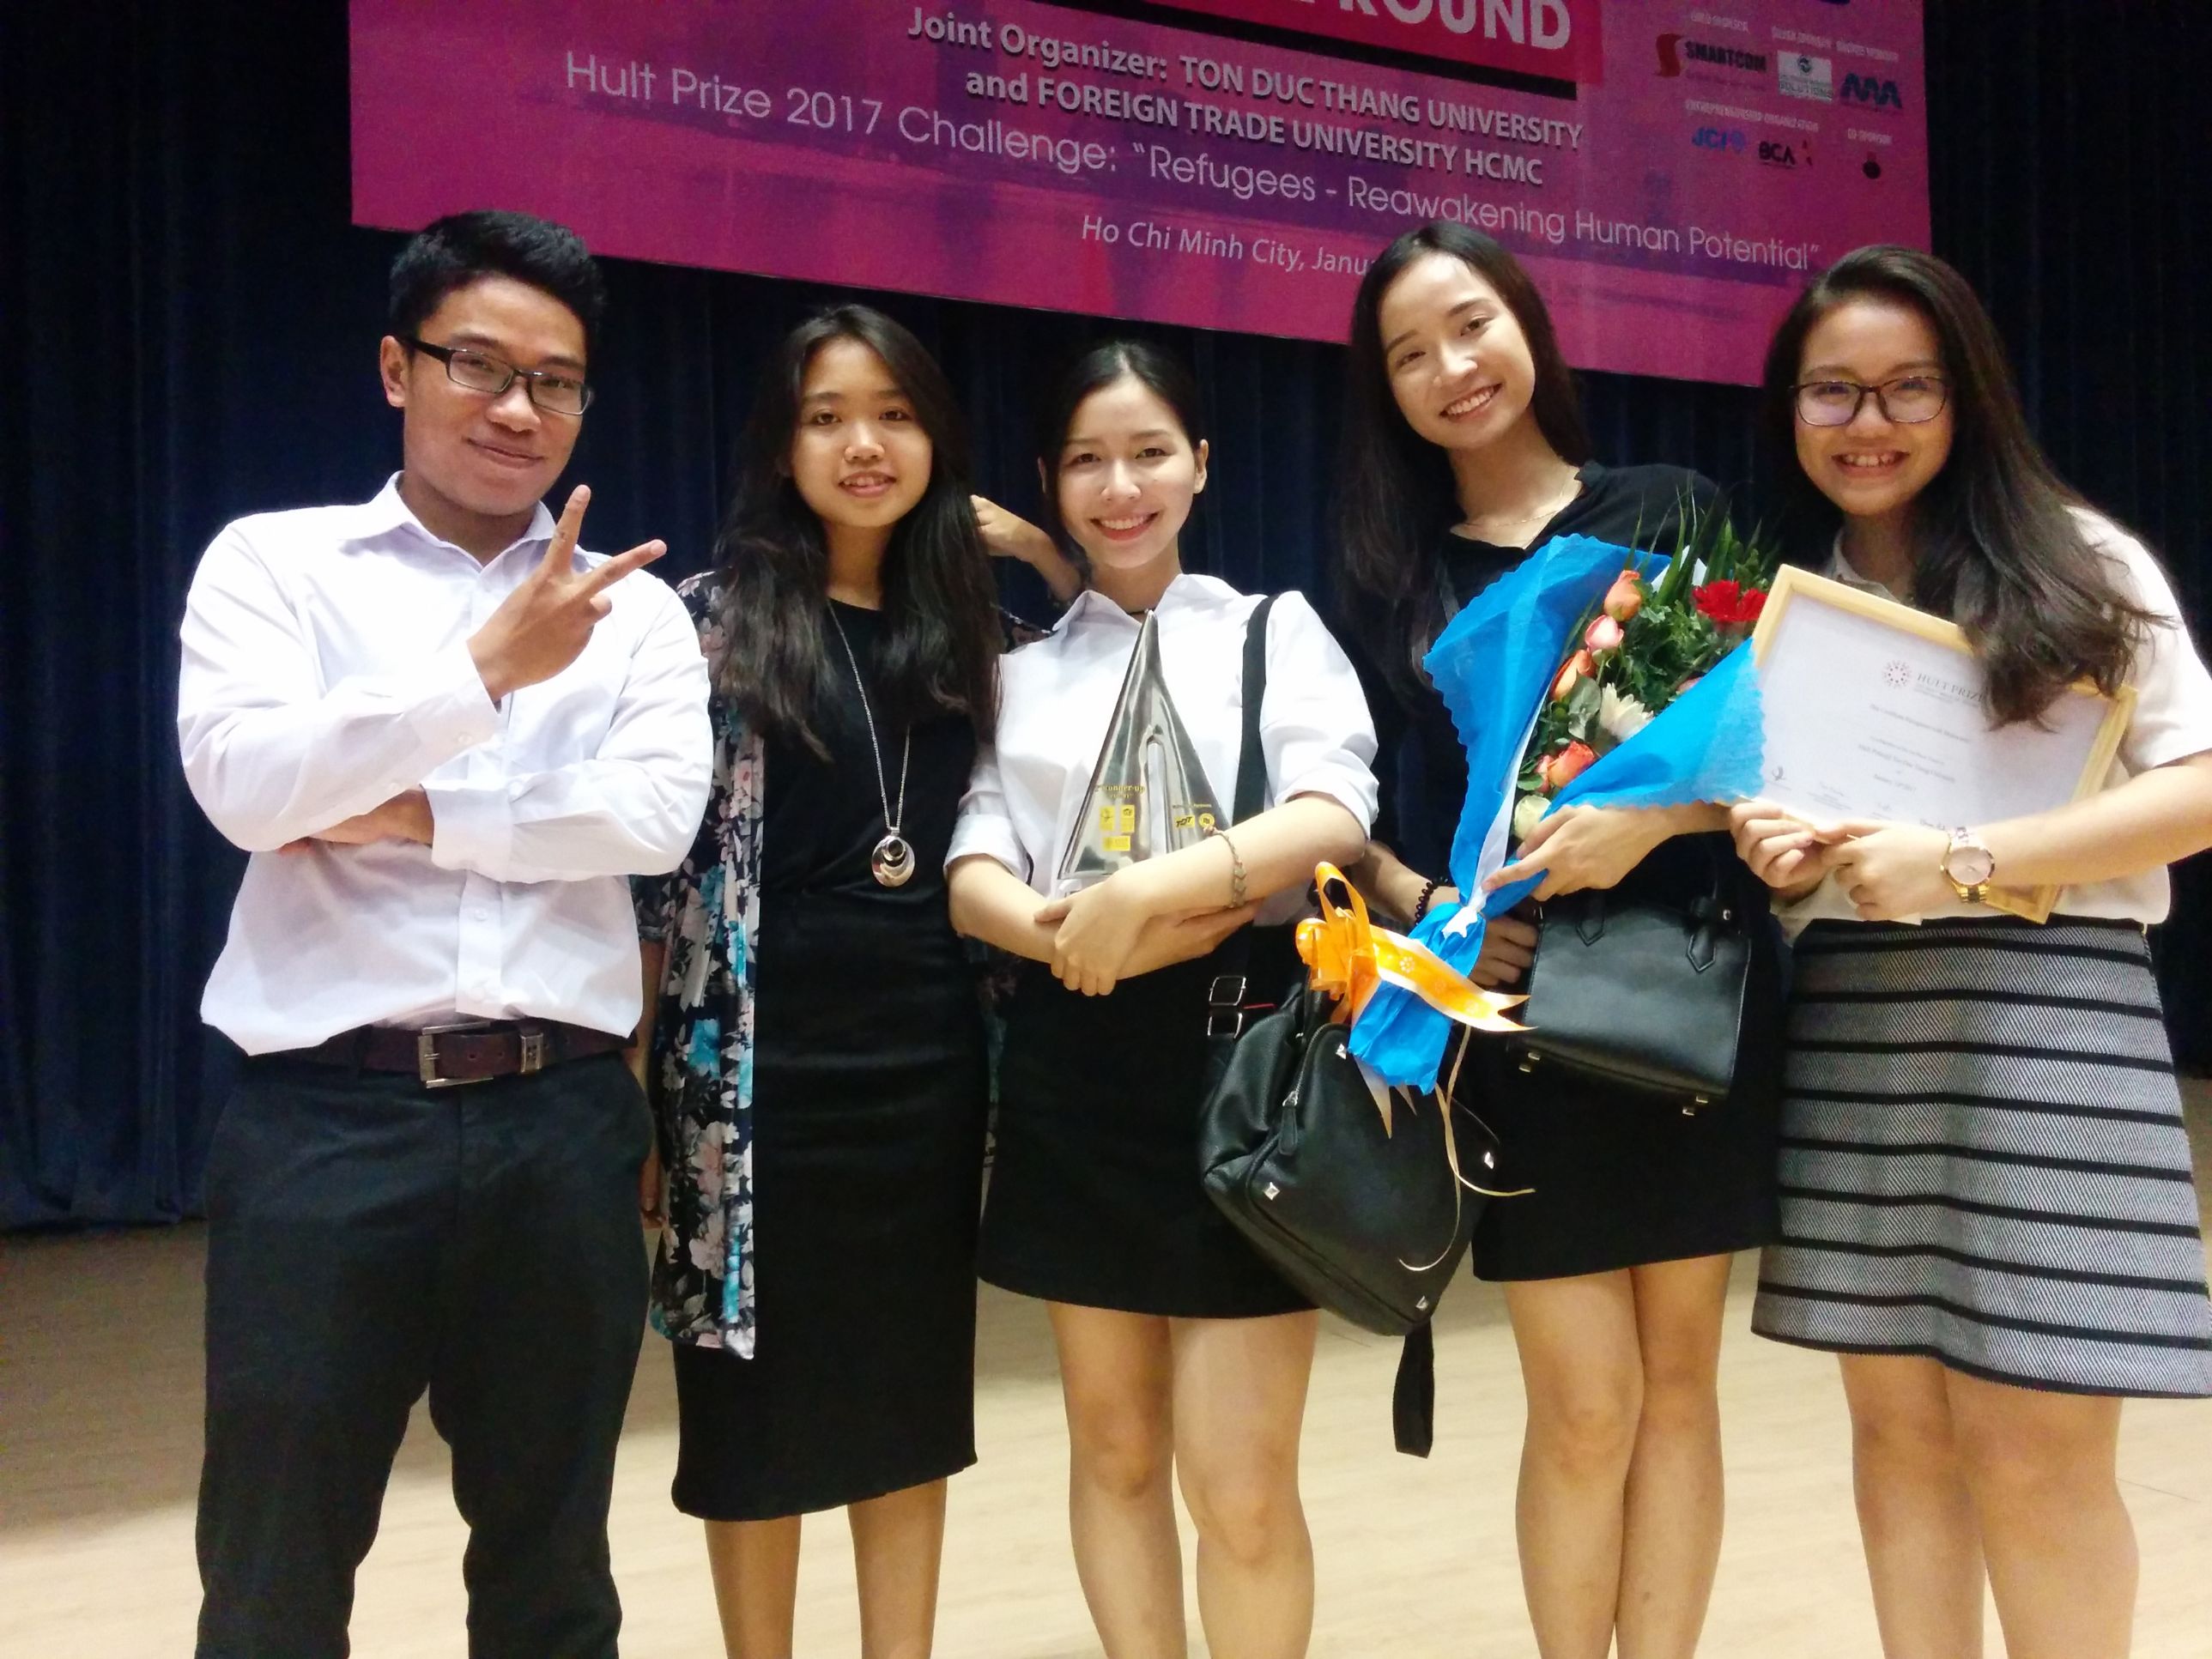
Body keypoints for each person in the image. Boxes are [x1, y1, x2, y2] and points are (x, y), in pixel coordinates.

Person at [175, 209, 712, 1659]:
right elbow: (248, 788)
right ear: (396, 369)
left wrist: (407, 808)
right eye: (479, 364)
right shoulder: (276, 565)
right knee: (275, 1565)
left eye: (556, 380)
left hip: (562, 1123)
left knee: (553, 1570)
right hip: (325, 1124)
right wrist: (485, 672)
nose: (517, 407)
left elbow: (650, 820)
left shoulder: (637, 614)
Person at [1733, 244, 2212, 1659]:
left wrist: (1962, 858)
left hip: (2051, 1021)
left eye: (1907, 388)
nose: (1866, 422)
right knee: (1897, 1433)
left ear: (1965, 398)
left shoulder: (2077, 560)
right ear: (1789, 405)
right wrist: (1779, 852)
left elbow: (2198, 787)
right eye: (1831, 390)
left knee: (2034, 1442)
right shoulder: (1785, 605)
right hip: (1859, 1022)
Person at [1333, 221, 1781, 1659]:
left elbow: (1769, 759)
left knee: (1679, 1388)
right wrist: (1432, 912)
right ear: (1386, 391)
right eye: (1409, 353)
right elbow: (1356, 823)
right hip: (1520, 1026)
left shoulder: (1670, 511)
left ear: (1526, 323)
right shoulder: (1391, 579)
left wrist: (1647, 826)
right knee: (1583, 1404)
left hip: (1680, 991)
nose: (1451, 367)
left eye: (1470, 324)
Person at [948, 341, 1376, 1659]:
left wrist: (1143, 899)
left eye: (1147, 453)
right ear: (1048, 479)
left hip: (1245, 1073)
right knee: (1116, 1448)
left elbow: (1333, 813)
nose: (1119, 486)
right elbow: (973, 861)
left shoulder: (1270, 628)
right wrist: (1070, 938)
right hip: (1076, 1066)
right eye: (1087, 459)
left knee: (1238, 1484)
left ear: (1198, 464)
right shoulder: (1019, 668)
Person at [633, 305, 1032, 1659]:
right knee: (745, 1406)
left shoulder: (978, 637)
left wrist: (1037, 547)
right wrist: (638, 1089)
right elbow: (650, 884)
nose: (864, 444)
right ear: (780, 445)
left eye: (894, 414)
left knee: (905, 1398)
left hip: (924, 1069)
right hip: (746, 1070)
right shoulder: (707, 623)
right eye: (827, 417)